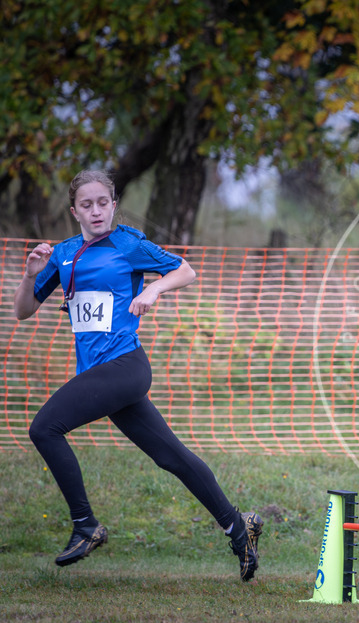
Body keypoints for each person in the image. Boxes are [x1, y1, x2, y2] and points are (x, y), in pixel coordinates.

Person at [13, 170, 263, 580]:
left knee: (44, 428)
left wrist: (152, 290)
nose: (96, 211)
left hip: (125, 367)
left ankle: (85, 525)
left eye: (103, 203)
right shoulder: (62, 254)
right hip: (102, 375)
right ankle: (240, 527)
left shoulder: (127, 243)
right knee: (172, 457)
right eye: (86, 204)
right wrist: (29, 273)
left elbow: (185, 270)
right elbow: (23, 311)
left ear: (113, 205)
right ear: (74, 210)